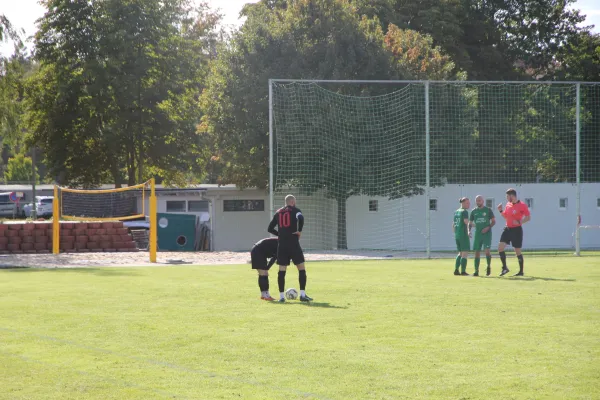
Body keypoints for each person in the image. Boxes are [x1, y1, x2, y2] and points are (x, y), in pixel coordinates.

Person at [267, 194, 313, 302]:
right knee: (301, 268)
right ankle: (302, 295)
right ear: (292, 202)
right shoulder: (296, 210)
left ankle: (282, 297)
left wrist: (280, 234)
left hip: (282, 245)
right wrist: (299, 230)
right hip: (293, 243)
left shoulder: (278, 212)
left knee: (282, 270)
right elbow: (301, 218)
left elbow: (270, 228)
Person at [497, 188, 531, 276]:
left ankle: (521, 271)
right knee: (500, 247)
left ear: (512, 196)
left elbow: (528, 217)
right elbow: (506, 216)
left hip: (517, 230)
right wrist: (500, 210)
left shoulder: (522, 205)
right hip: (507, 229)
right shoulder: (508, 204)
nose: (506, 198)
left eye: (507, 196)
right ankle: (504, 268)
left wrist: (520, 222)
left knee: (517, 251)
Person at [469, 195, 496, 276]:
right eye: (477, 200)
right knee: (477, 252)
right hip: (478, 234)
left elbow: (494, 221)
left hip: (487, 234)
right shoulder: (473, 211)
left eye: (479, 200)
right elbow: (470, 223)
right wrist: (468, 231)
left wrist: (488, 227)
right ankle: (476, 271)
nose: (478, 202)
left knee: (487, 251)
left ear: (483, 201)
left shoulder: (488, 210)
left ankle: (488, 266)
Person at [453, 197, 471, 276]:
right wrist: (470, 230)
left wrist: (456, 233)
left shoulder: (456, 211)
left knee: (460, 253)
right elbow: (466, 222)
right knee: (465, 253)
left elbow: (453, 225)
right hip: (463, 235)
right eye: (467, 203)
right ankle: (463, 271)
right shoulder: (464, 212)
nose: (469, 204)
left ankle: (456, 270)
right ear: (463, 203)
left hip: (457, 235)